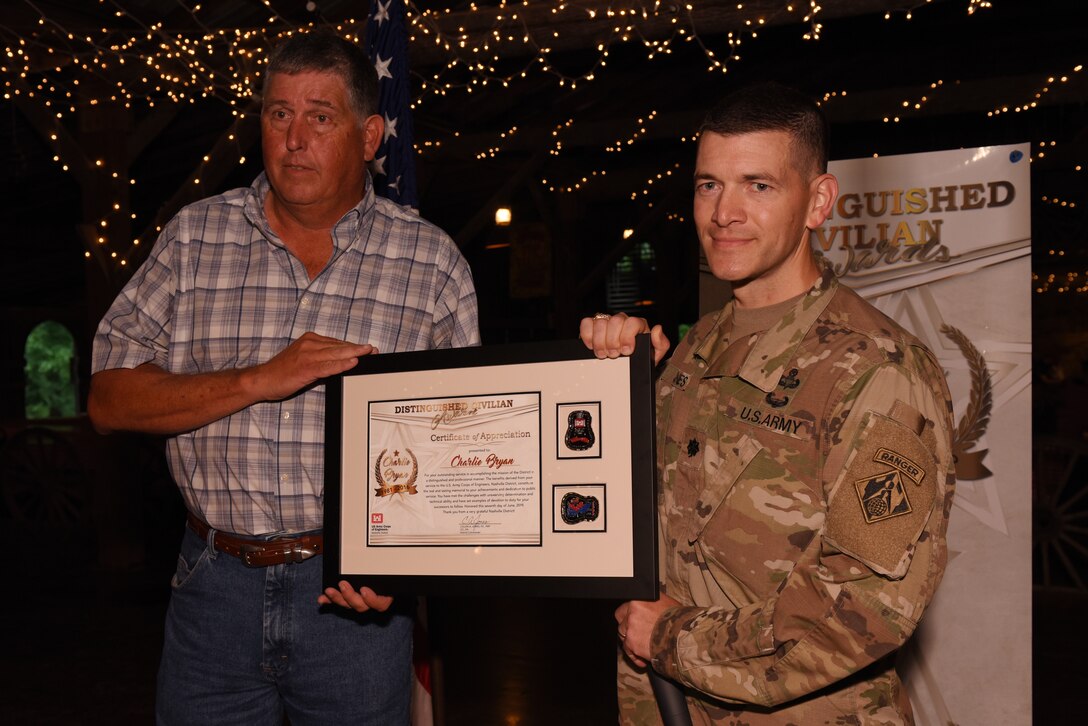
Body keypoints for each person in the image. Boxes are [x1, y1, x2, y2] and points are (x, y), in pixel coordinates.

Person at [88, 29, 478, 725]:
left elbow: (466, 454)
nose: (294, 138)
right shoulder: (193, 239)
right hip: (213, 585)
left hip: (355, 601)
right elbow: (108, 400)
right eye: (278, 114)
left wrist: (403, 566)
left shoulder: (432, 264)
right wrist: (260, 378)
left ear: (369, 136)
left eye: (320, 117)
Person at [581, 83, 955, 724]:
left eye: (758, 185)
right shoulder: (695, 351)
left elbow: (864, 607)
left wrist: (673, 640)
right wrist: (607, 389)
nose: (724, 212)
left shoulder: (880, 371)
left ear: (817, 202)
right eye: (708, 185)